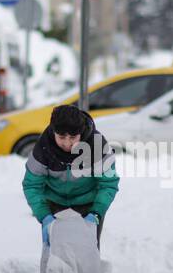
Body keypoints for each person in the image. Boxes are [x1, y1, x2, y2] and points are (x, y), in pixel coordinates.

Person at [22, 104, 119, 249]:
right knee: (56, 252)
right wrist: (44, 215)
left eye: (73, 137)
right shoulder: (43, 147)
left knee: (87, 251)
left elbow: (108, 184)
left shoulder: (97, 145)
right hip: (55, 206)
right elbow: (32, 185)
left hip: (88, 206)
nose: (67, 143)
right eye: (61, 137)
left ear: (81, 132)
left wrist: (96, 213)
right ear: (54, 132)